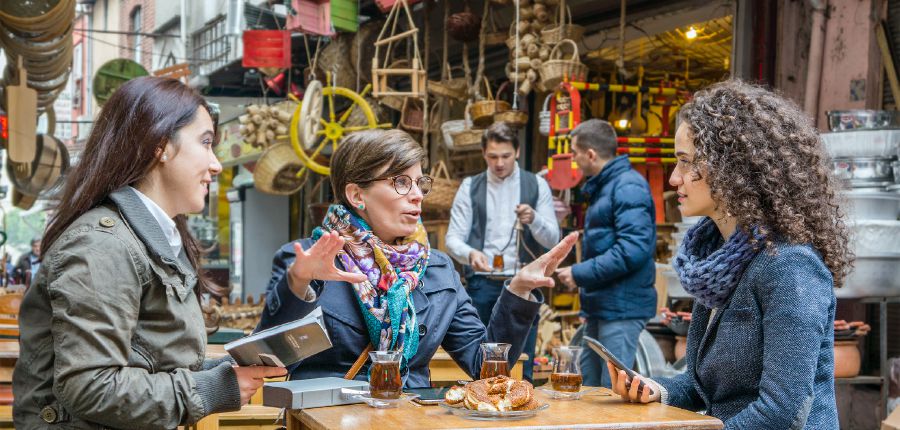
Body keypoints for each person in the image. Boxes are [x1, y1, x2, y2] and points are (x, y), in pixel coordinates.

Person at [13, 76, 286, 429]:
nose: (216, 165)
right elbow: (89, 386)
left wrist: (218, 373)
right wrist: (211, 388)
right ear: (161, 146)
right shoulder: (102, 244)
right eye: (205, 143)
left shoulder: (153, 238)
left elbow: (146, 360)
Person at [610, 80, 851, 429]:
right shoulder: (718, 261)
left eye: (685, 163)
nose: (674, 179)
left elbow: (782, 411)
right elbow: (704, 387)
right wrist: (655, 388)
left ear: (733, 168)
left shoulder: (789, 266)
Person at [256, 129, 578, 388]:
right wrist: (298, 284)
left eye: (420, 183)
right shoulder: (307, 260)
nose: (417, 195)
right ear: (357, 195)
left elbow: (487, 370)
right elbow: (270, 360)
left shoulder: (437, 268)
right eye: (400, 182)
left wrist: (518, 291)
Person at [445, 122, 560, 381]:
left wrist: (535, 220)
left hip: (522, 286)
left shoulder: (536, 185)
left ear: (517, 152)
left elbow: (553, 238)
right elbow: (453, 238)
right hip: (482, 284)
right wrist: (470, 254)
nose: (499, 163)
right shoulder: (469, 186)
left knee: (522, 360)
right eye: (493, 156)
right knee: (480, 360)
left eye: (506, 156)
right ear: (484, 154)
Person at [554, 119, 657, 388]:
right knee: (588, 386)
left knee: (612, 390)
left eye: (575, 153)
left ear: (590, 154)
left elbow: (633, 249)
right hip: (602, 306)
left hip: (621, 309)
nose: (574, 160)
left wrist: (579, 273)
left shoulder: (627, 186)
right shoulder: (606, 187)